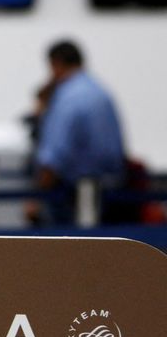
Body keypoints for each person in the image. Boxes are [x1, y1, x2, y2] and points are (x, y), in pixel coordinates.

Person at [31, 40, 126, 224]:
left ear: (55, 64)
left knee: (68, 248)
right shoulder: (99, 91)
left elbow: (54, 154)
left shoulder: (67, 98)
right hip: (111, 189)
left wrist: (36, 198)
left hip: (76, 191)